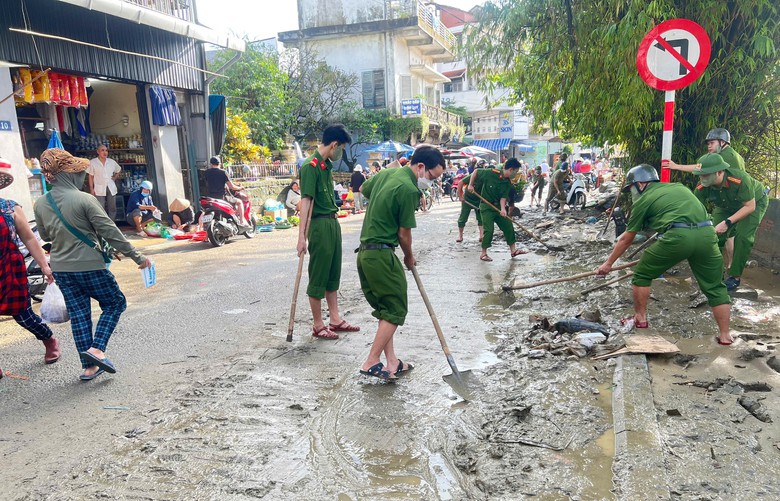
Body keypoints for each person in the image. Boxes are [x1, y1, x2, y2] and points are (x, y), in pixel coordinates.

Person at [33, 148, 152, 381]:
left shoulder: (40, 204)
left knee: (79, 315)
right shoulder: (85, 199)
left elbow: (46, 236)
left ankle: (89, 367)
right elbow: (110, 232)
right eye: (78, 172)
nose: (81, 176)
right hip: (90, 265)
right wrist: (137, 257)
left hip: (62, 269)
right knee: (115, 303)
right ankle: (97, 349)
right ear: (68, 174)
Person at [596, 164, 733, 345]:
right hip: (708, 235)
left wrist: (608, 264)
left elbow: (626, 239)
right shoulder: (679, 187)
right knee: (716, 287)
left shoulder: (643, 200)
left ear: (640, 184)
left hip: (678, 237)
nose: (632, 193)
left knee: (642, 274)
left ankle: (640, 318)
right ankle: (725, 336)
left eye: (631, 189)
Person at [357, 145, 445, 379]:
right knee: (396, 309)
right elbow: (404, 234)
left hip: (365, 254)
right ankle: (371, 361)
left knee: (387, 310)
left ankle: (392, 362)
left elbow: (364, 189)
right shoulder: (409, 189)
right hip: (382, 255)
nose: (432, 183)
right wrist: (408, 256)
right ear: (420, 167)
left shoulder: (387, 174)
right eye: (432, 177)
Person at [666, 153, 767, 292]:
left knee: (743, 237)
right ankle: (716, 273)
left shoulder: (739, 180)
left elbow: (750, 206)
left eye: (706, 175)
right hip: (725, 206)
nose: (702, 179)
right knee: (712, 236)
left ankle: (735, 277)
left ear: (719, 172)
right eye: (700, 175)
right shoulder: (703, 187)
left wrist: (727, 222)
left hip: (753, 203)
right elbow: (694, 210)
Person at [297, 124, 359, 340]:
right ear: (334, 145)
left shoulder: (326, 166)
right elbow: (306, 202)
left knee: (333, 274)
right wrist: (301, 237)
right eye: (341, 147)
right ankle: (318, 324)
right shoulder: (310, 166)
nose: (341, 152)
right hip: (320, 225)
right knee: (319, 274)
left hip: (333, 223)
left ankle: (334, 318)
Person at [0, 158, 61, 376]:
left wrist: (45, 266)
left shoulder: (10, 207)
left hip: (9, 268)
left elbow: (30, 239)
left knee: (23, 315)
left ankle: (48, 339)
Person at [665, 127, 745, 271]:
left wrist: (676, 166)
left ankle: (715, 267)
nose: (708, 146)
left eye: (712, 143)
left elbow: (700, 168)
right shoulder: (735, 155)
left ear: (722, 142)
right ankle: (731, 266)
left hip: (730, 201)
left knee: (717, 235)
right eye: (708, 143)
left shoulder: (726, 157)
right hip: (734, 200)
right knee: (729, 235)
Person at [468, 158, 526, 261]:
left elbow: (503, 198)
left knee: (508, 226)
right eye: (516, 172)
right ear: (511, 169)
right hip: (486, 207)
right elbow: (476, 171)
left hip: (498, 207)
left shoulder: (507, 183)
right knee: (489, 230)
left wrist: (503, 209)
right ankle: (483, 253)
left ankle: (513, 250)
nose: (515, 174)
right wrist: (471, 185)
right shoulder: (491, 173)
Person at [205, 156, 247, 226]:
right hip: (222, 197)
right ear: (220, 164)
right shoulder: (223, 172)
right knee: (239, 202)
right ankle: (242, 221)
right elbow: (232, 187)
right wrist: (240, 188)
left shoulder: (207, 172)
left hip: (210, 198)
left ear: (211, 164)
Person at [87, 144, 122, 221]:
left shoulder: (111, 162)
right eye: (102, 150)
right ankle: (102, 225)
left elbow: (119, 169)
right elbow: (90, 176)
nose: (105, 152)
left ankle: (111, 224)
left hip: (111, 187)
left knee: (112, 207)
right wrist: (91, 189)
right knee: (100, 207)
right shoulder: (93, 162)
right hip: (99, 188)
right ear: (98, 152)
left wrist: (114, 177)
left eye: (106, 150)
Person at [456, 171, 484, 243]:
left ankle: (481, 236)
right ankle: (460, 236)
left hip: (479, 200)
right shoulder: (474, 175)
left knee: (481, 218)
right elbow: (460, 183)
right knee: (463, 218)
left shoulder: (487, 179)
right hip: (467, 199)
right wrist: (460, 196)